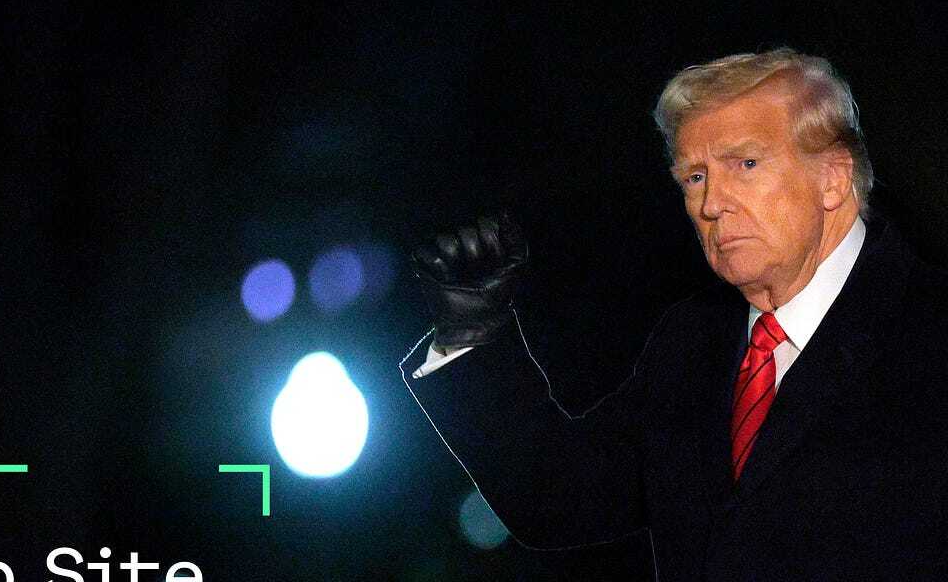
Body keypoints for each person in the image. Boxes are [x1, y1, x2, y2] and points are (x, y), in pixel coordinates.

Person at [401, 48, 948, 580]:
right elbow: (558, 499)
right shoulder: (693, 341)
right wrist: (473, 332)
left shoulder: (929, 329)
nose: (712, 204)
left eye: (746, 164)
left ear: (832, 177)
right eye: (694, 178)